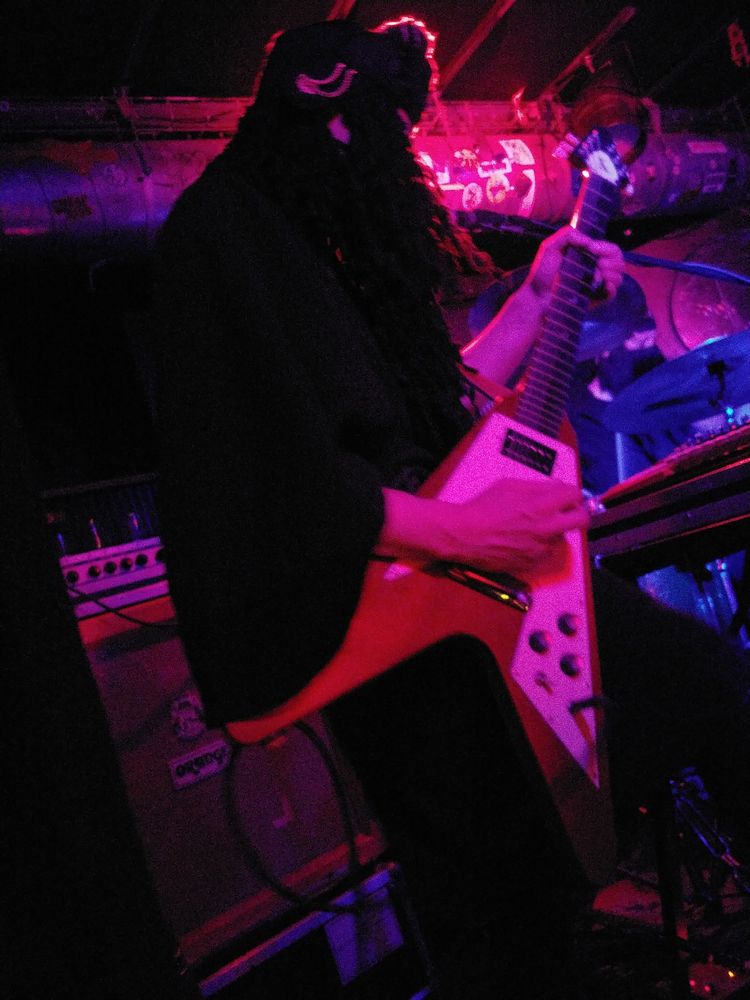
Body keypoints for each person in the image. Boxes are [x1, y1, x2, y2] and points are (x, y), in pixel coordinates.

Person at [153, 18, 750, 999]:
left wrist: (538, 297)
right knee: (497, 898)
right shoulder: (219, 233)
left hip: (455, 577)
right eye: (388, 137)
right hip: (387, 613)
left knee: (682, 706)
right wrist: (465, 531)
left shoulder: (321, 243)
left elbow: (421, 404)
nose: (402, 166)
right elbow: (267, 466)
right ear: (334, 115)